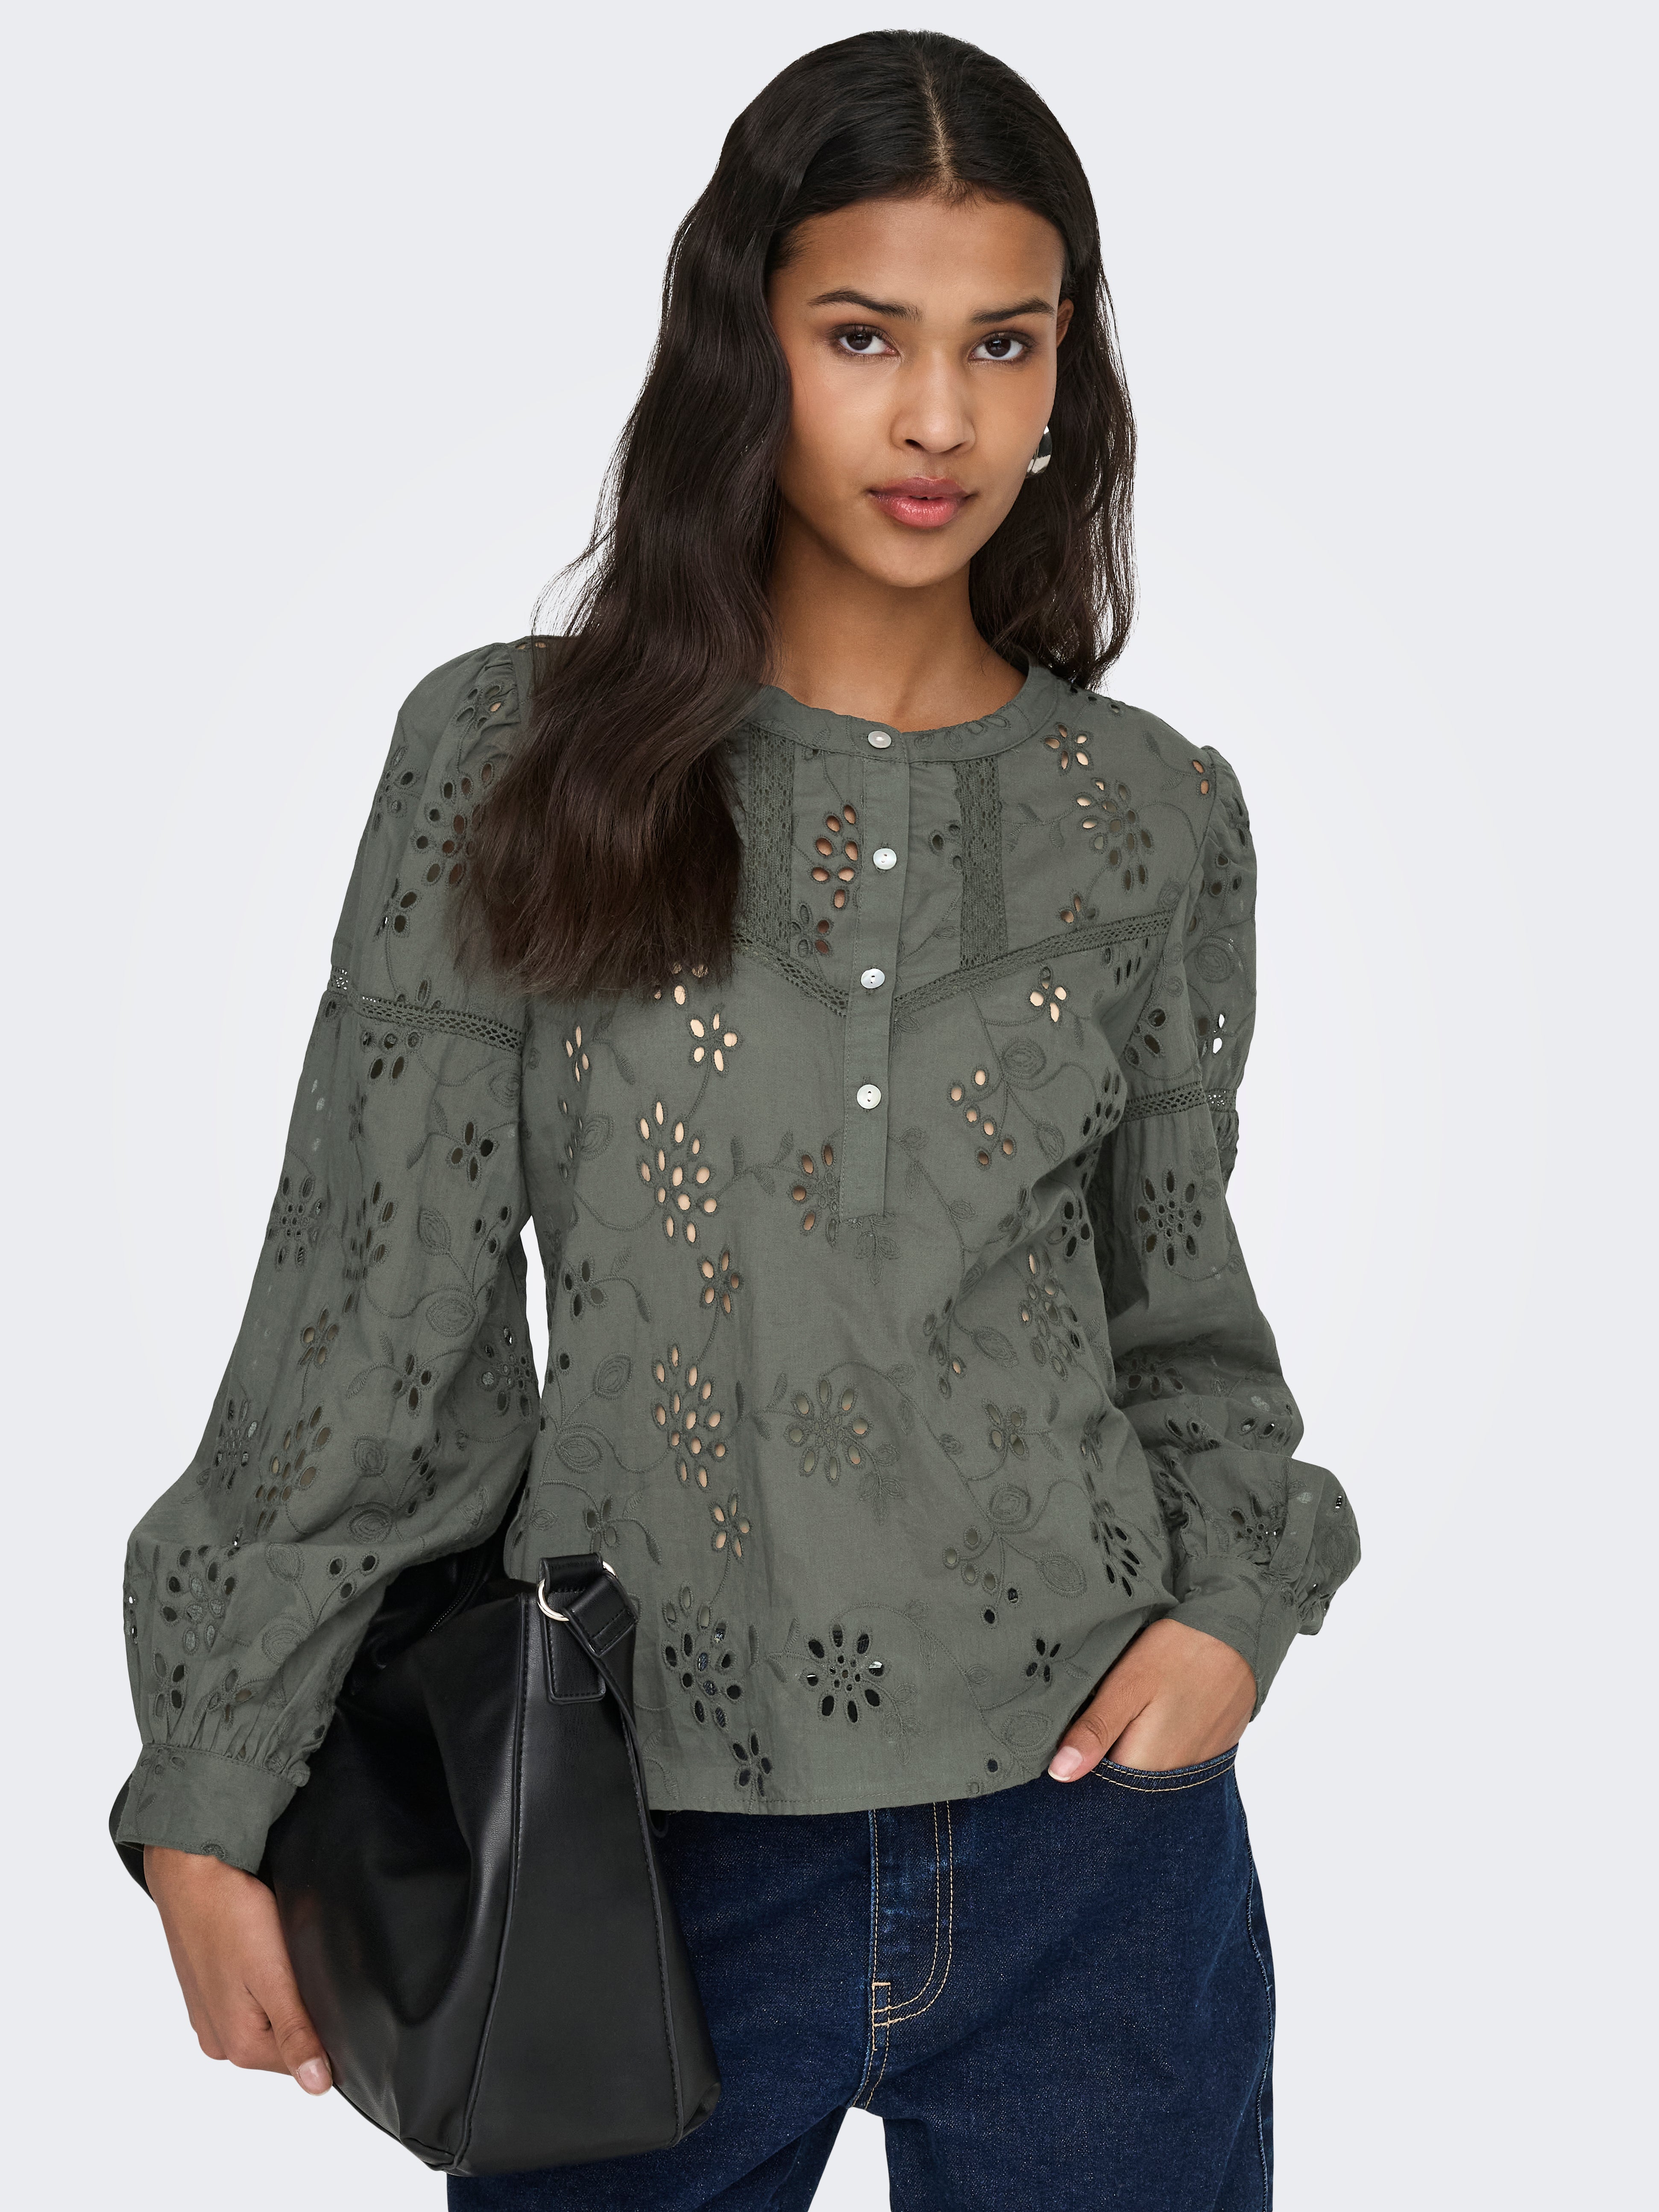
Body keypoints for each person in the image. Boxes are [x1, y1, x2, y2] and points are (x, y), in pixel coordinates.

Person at [113, 29, 1360, 2211]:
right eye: (863, 335)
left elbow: (1178, 1320)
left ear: (1066, 375)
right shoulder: (510, 763)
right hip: (626, 1852)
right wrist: (215, 1788)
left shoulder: (1149, 813)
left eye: (1003, 343)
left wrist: (1229, 1617)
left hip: (1096, 1846)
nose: (937, 417)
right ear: (739, 342)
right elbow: (370, 1318)